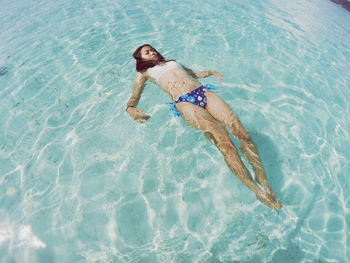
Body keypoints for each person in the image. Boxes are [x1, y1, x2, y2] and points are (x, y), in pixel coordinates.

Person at [126, 44, 282, 210]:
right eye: (147, 52)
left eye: (152, 49)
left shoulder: (172, 62)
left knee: (242, 133)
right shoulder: (143, 74)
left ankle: (263, 181)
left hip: (202, 92)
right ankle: (256, 190)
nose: (152, 52)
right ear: (141, 59)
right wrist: (131, 109)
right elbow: (134, 97)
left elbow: (192, 73)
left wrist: (209, 73)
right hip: (184, 102)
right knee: (226, 144)